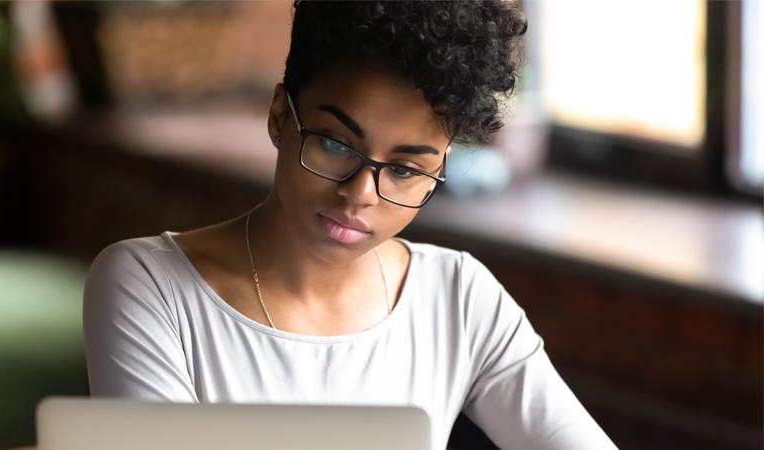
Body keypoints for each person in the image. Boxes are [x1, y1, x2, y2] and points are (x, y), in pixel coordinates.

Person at [82, 2, 617, 449]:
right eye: (336, 144)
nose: (360, 194)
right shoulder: (150, 288)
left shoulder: (459, 298)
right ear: (278, 117)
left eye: (406, 170)